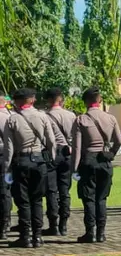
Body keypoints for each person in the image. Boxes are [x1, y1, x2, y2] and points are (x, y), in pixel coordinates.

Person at [2, 88, 56, 248]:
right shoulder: (42, 116)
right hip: (39, 161)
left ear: (17, 102)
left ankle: (25, 236)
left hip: (22, 161)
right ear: (32, 100)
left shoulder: (12, 120)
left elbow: (9, 148)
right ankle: (37, 236)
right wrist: (51, 159)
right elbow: (51, 141)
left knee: (23, 202)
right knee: (37, 200)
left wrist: (7, 168)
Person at [70, 87, 121, 244]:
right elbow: (119, 141)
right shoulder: (110, 118)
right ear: (99, 101)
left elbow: (77, 147)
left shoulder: (81, 120)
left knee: (88, 198)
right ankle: (101, 233)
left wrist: (74, 168)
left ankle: (90, 232)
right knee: (101, 198)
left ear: (86, 102)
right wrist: (111, 153)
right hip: (104, 159)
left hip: (89, 160)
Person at [43, 88, 76, 236]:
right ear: (61, 99)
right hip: (68, 153)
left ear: (49, 100)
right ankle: (64, 224)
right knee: (65, 190)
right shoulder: (71, 115)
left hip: (52, 153)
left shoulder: (45, 116)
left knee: (51, 190)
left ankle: (53, 224)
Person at [0, 94, 10, 239]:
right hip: (5, 156)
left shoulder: (4, 117)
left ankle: (3, 223)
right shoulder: (9, 116)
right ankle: (5, 223)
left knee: (3, 192)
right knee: (4, 192)